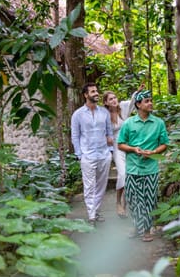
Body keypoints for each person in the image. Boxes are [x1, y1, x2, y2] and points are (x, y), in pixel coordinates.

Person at [117, 90, 169, 242]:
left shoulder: (159, 123)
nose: (150, 103)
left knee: (149, 200)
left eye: (151, 100)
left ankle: (146, 230)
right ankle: (135, 226)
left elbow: (165, 144)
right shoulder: (128, 123)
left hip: (151, 169)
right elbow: (120, 144)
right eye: (147, 101)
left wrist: (153, 152)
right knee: (133, 200)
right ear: (138, 105)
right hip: (133, 168)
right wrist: (134, 149)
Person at [71, 82, 113, 226]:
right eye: (93, 91)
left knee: (101, 186)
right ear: (85, 95)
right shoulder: (77, 114)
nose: (96, 93)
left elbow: (109, 132)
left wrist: (110, 151)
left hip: (104, 154)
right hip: (87, 155)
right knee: (89, 186)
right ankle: (91, 216)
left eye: (96, 91)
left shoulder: (104, 112)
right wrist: (79, 155)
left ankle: (95, 211)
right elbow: (75, 136)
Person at [103, 84, 144, 218]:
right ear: (106, 103)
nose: (114, 100)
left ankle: (126, 206)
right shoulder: (104, 116)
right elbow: (101, 131)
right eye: (110, 99)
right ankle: (118, 202)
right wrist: (107, 138)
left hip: (129, 145)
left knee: (130, 175)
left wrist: (137, 91)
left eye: (114, 97)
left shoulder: (123, 108)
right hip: (117, 146)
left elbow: (132, 101)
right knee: (122, 174)